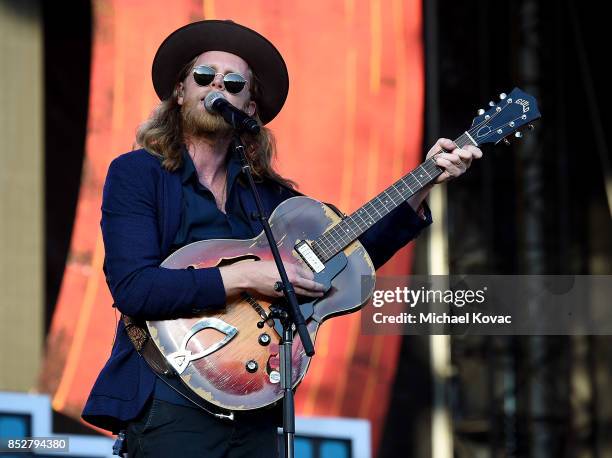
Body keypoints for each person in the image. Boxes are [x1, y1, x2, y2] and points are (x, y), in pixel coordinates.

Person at [81, 20, 482, 457]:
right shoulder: (137, 174)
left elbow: (349, 258)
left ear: (249, 108)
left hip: (256, 413)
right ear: (180, 93)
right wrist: (246, 277)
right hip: (169, 404)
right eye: (203, 76)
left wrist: (425, 181)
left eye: (233, 82)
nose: (217, 85)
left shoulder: (271, 200)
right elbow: (134, 288)